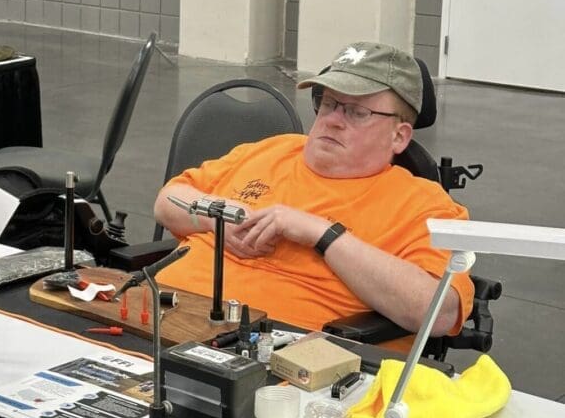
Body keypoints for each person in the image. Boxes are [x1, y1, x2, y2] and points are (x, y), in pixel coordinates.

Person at [154, 41, 474, 340]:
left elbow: (441, 313)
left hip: (270, 362)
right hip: (151, 321)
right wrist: (218, 218)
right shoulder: (272, 150)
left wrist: (320, 234)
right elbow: (167, 201)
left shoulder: (424, 204)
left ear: (399, 136)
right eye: (328, 103)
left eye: (357, 112)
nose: (333, 120)